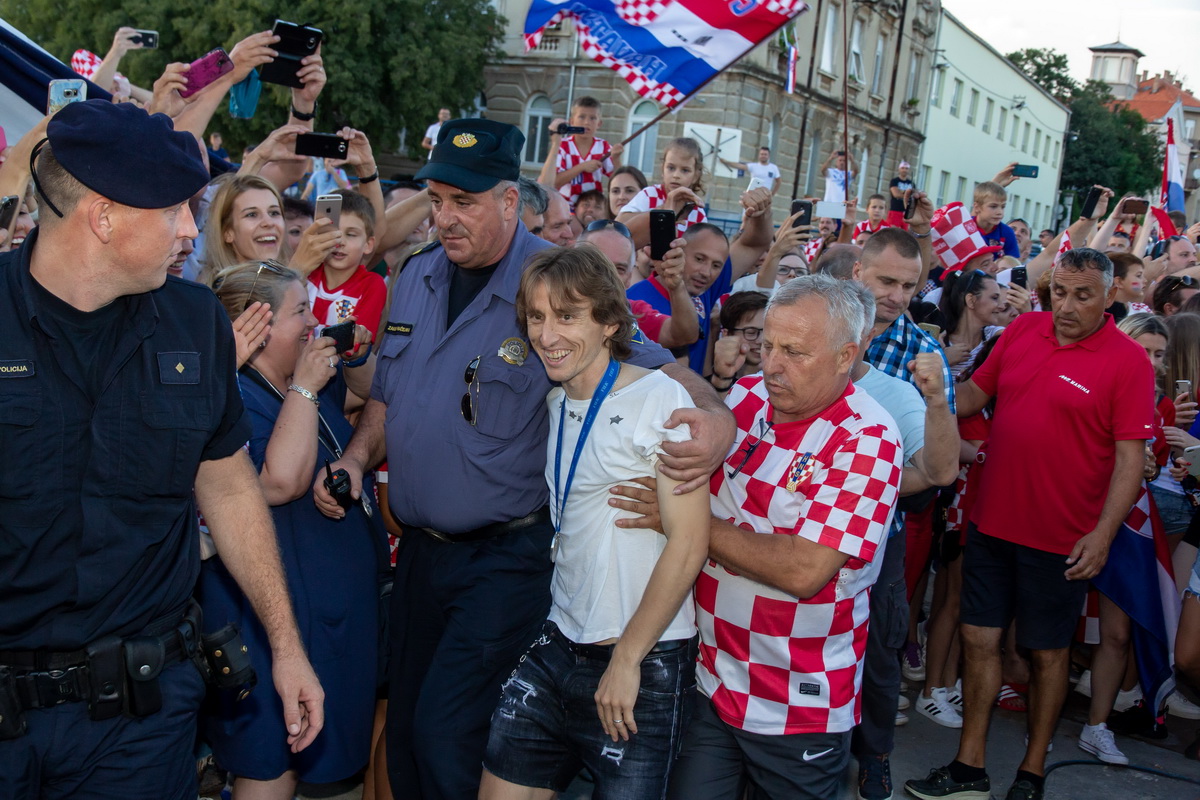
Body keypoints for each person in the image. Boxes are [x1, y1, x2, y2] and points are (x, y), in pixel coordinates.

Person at [312, 118, 734, 800]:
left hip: (503, 559)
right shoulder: (416, 274)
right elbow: (389, 396)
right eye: (438, 200)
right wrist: (359, 459)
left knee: (449, 736)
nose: (446, 218)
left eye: (465, 202)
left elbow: (663, 372)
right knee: (408, 738)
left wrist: (720, 423)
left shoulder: (553, 286)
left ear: (510, 201)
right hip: (419, 553)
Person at [0, 100, 322, 799]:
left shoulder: (195, 321)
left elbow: (231, 490)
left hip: (140, 721)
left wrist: (287, 646)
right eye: (177, 209)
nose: (189, 230)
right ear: (103, 216)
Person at [906, 248, 1155, 800]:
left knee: (1047, 655)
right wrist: (936, 388)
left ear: (1111, 296)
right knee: (978, 640)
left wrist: (1103, 534)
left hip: (1062, 538)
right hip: (992, 523)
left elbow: (1130, 461)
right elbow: (973, 396)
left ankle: (1032, 771)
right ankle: (969, 767)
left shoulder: (1128, 361)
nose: (1065, 306)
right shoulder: (1021, 333)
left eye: (1083, 295)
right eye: (1058, 292)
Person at [480, 245, 709, 799]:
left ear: (609, 322)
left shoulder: (659, 398)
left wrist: (628, 659)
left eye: (567, 315)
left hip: (643, 663)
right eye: (536, 317)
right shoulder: (557, 403)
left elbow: (690, 543)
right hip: (557, 645)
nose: (547, 334)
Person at [665, 274, 904, 800]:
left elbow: (804, 569)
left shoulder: (869, 437)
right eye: (767, 344)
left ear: (846, 356)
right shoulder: (745, 400)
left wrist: (678, 521)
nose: (772, 364)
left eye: (794, 352)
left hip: (797, 705)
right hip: (712, 683)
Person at [206, 261, 381, 799]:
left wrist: (355, 357)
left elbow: (368, 400)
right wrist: (305, 388)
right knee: (271, 761)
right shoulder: (230, 393)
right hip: (267, 624)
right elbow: (279, 481)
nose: (314, 323)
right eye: (300, 312)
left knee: (307, 754)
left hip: (324, 619)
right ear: (256, 325)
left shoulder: (298, 382)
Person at [307, 188, 388, 339]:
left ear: (368, 244)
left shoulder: (372, 285)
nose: (340, 242)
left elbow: (354, 346)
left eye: (351, 234)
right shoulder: (304, 274)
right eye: (332, 232)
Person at [617, 137, 709, 246]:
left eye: (685, 170)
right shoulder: (650, 195)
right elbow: (619, 223)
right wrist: (662, 212)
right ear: (662, 170)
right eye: (671, 168)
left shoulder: (698, 213)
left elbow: (700, 249)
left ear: (695, 176)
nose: (676, 175)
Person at [552, 95, 623, 208]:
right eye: (581, 117)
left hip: (594, 207)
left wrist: (616, 159)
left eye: (592, 118)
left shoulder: (603, 146)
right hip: (565, 206)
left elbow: (618, 181)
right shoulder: (562, 146)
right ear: (572, 121)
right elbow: (554, 182)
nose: (586, 122)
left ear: (599, 123)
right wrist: (582, 167)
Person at [709, 290, 768, 393]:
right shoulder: (705, 386)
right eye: (750, 332)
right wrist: (722, 380)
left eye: (767, 331)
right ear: (727, 334)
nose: (761, 340)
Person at [971, 182, 1020, 259]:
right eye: (993, 206)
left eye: (1003, 207)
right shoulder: (964, 228)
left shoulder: (1007, 232)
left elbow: (1013, 264)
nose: (999, 212)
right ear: (977, 207)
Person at [887, 160, 914, 227]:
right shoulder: (894, 181)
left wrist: (901, 192)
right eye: (902, 168)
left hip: (906, 213)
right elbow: (895, 194)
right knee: (892, 231)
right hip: (895, 211)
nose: (904, 170)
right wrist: (907, 195)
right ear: (899, 169)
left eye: (906, 168)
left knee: (905, 233)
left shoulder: (911, 183)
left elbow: (913, 195)